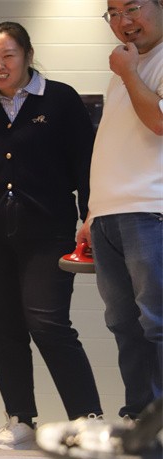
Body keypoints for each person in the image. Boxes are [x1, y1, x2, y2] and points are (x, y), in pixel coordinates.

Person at [0, 22, 103, 450]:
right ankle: (20, 420)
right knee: (3, 329)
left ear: (28, 55)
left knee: (48, 322)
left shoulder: (60, 99)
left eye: (8, 55)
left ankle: (87, 417)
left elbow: (85, 162)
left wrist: (90, 213)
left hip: (47, 230)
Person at [78, 0, 162, 421]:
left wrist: (128, 73)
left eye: (132, 8)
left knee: (157, 323)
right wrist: (94, 212)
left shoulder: (132, 67)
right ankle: (140, 418)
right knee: (124, 324)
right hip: (110, 215)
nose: (123, 21)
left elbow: (159, 122)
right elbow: (116, 146)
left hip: (151, 210)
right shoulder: (125, 69)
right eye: (113, 12)